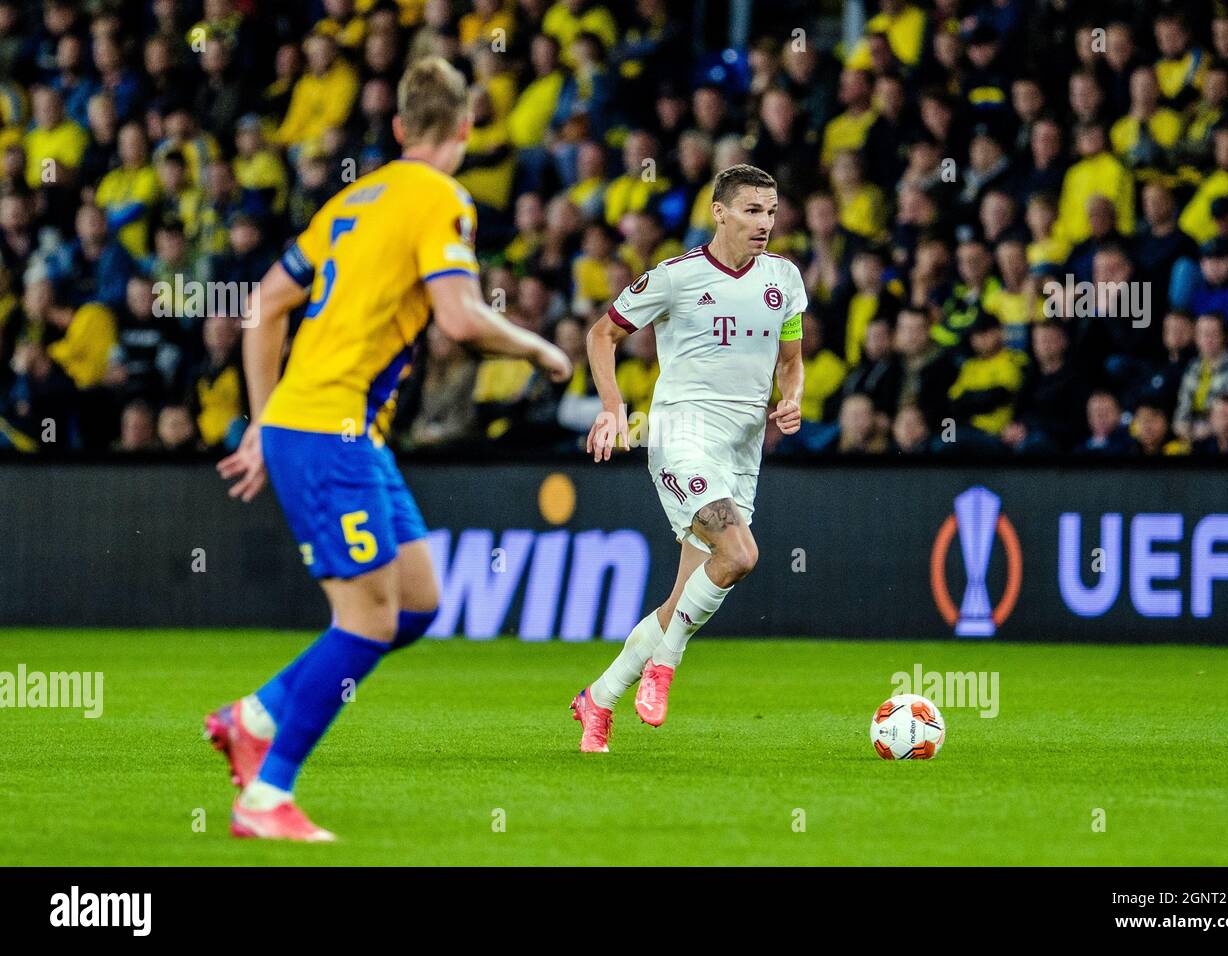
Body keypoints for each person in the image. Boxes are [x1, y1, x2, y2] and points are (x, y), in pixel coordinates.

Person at [209, 57, 571, 840]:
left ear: (402, 128)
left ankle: (255, 714)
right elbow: (462, 318)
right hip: (329, 429)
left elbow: (265, 303)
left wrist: (264, 420)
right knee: (368, 620)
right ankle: (265, 797)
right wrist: (541, 349)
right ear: (467, 127)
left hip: (335, 429)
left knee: (416, 605)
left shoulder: (354, 197)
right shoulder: (442, 197)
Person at [572, 163, 807, 752]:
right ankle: (665, 665)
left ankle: (598, 699)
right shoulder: (676, 278)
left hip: (741, 449)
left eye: (772, 212)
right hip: (681, 434)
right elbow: (601, 334)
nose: (765, 223)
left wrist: (793, 399)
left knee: (686, 595)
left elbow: (791, 360)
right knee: (740, 553)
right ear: (720, 212)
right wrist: (611, 408)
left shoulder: (785, 279)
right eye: (753, 211)